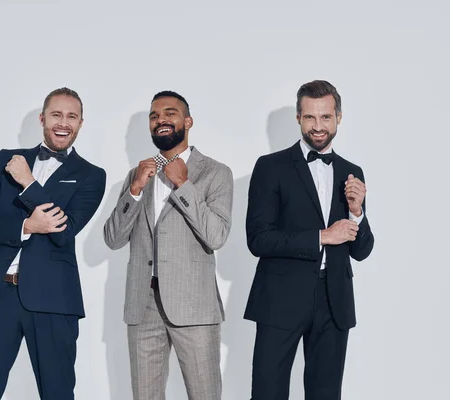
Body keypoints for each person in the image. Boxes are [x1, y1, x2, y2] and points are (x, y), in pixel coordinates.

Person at [0, 87, 106, 399]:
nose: (63, 122)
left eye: (72, 116)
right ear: (43, 118)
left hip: (54, 299)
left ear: (81, 123)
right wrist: (26, 226)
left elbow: (62, 231)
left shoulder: (92, 176)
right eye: (56, 114)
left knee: (57, 393)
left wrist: (28, 182)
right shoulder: (5, 161)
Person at [244, 80, 375, 399]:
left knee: (326, 394)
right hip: (280, 298)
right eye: (310, 118)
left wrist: (357, 212)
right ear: (299, 118)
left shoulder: (351, 170)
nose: (318, 126)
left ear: (339, 117)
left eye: (326, 117)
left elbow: (361, 250)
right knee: (268, 393)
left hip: (334, 301)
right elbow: (258, 239)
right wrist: (321, 236)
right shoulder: (269, 167)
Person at [103, 90, 233, 400]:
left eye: (170, 113)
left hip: (195, 308)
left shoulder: (216, 173)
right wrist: (134, 190)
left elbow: (216, 236)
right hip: (142, 304)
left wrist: (184, 185)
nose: (161, 119)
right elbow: (113, 239)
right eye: (154, 115)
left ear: (187, 121)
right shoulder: (138, 175)